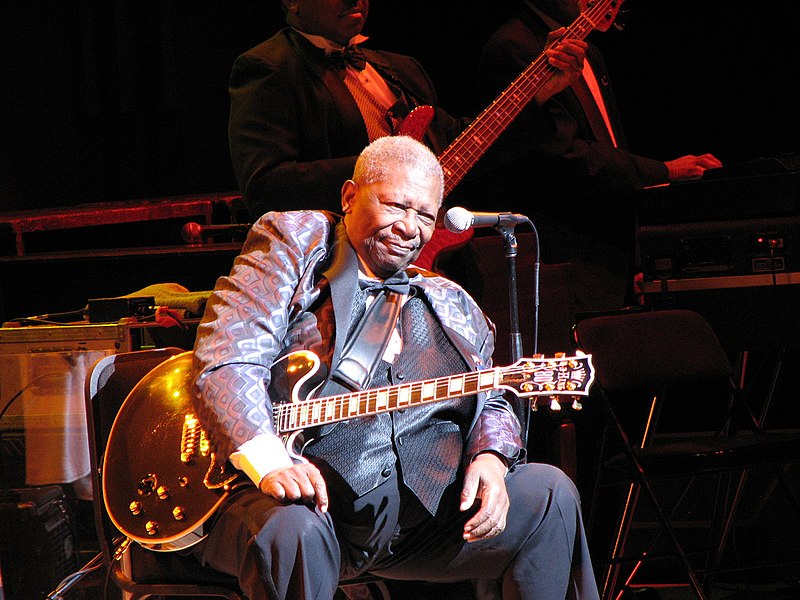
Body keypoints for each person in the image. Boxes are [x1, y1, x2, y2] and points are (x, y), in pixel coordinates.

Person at [190, 135, 600, 600]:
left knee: (550, 495)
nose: (409, 226)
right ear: (349, 196)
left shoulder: (451, 302)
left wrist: (491, 455)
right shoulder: (296, 242)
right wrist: (268, 461)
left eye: (424, 215)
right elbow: (229, 354)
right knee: (292, 530)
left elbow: (492, 392)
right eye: (395, 205)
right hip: (297, 507)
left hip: (414, 523)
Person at [466, 0, 723, 354]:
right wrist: (663, 171)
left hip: (608, 252)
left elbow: (608, 144)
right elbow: (561, 155)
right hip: (565, 259)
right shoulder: (515, 46)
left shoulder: (589, 51)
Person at [227, 0, 586, 224]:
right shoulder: (270, 67)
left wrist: (536, 94)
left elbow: (461, 146)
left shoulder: (401, 69)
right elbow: (266, 186)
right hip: (341, 267)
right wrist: (384, 171)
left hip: (432, 259)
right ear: (292, 2)